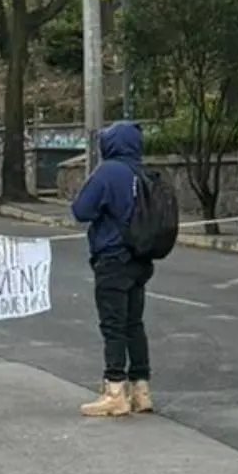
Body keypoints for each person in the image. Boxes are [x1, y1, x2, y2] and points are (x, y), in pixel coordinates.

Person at [71, 120, 156, 417]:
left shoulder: (109, 172)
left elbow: (81, 210)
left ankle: (115, 389)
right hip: (140, 258)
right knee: (134, 323)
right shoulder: (142, 172)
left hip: (112, 257)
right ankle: (141, 388)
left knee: (113, 325)